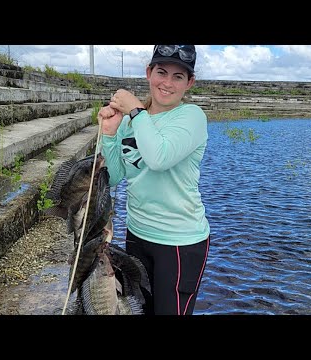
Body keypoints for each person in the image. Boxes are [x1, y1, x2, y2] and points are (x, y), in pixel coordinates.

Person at [98, 45, 210, 315]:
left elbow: (159, 158)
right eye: (161, 72)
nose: (167, 83)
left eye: (178, 77)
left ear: (189, 83)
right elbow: (113, 177)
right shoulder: (132, 122)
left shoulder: (192, 117)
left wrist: (136, 110)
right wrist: (111, 135)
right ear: (149, 73)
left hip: (179, 243)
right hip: (137, 234)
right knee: (139, 310)